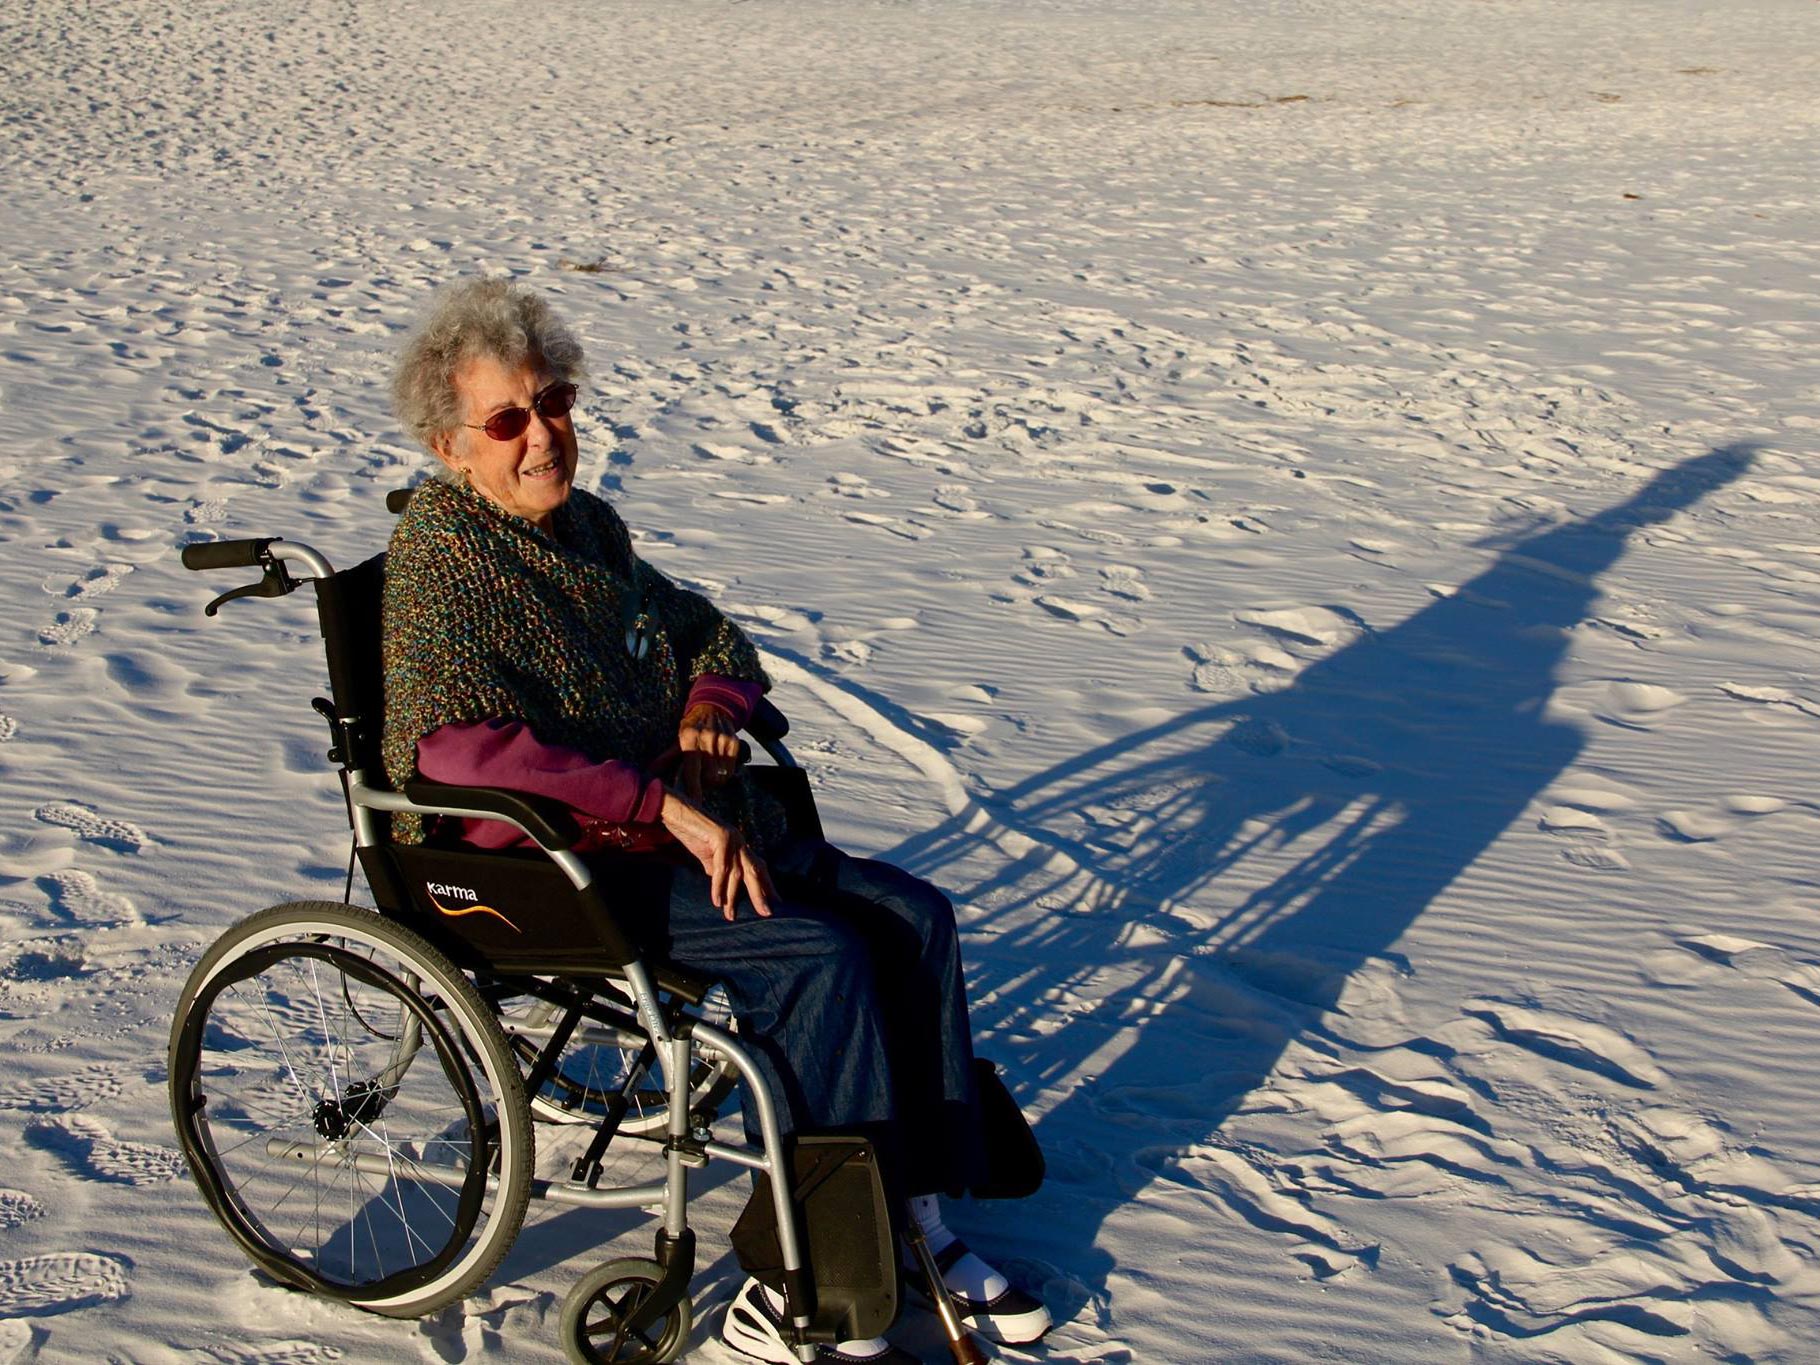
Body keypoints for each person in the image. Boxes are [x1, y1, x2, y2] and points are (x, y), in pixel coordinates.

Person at [379, 278, 1050, 1363]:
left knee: (913, 917)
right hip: (552, 869)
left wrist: (709, 707)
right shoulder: (443, 561)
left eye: (554, 402)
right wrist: (659, 805)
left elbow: (701, 630)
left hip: (668, 828)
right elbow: (452, 747)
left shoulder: (587, 529)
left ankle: (908, 1213)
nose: (542, 435)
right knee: (817, 958)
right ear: (452, 446)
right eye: (508, 420)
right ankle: (796, 1281)